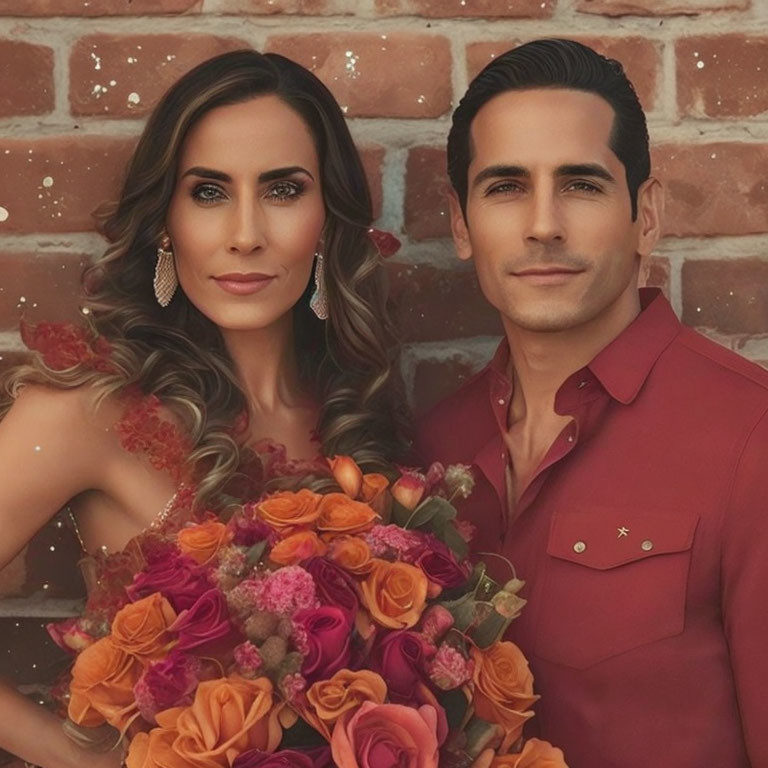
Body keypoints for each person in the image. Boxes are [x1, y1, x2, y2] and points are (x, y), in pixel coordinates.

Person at [0, 49, 408, 768]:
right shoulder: (87, 408)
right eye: (210, 193)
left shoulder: (354, 411)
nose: (245, 233)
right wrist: (98, 762)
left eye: (282, 190)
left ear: (328, 220)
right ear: (164, 219)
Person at [415, 38, 768, 768]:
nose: (543, 224)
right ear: (459, 224)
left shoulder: (751, 439)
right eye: (506, 187)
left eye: (580, 184)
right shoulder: (428, 451)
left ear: (646, 215)